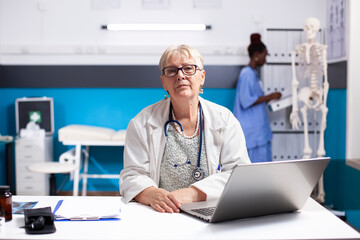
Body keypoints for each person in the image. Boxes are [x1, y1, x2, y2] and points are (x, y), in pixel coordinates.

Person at [120, 44, 250, 213]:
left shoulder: (225, 120)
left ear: (202, 76)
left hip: (211, 210)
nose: (180, 75)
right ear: (163, 81)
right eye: (171, 71)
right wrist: (151, 193)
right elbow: (132, 175)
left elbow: (239, 174)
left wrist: (194, 194)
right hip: (161, 212)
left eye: (188, 68)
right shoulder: (142, 123)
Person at [233, 33, 281, 163]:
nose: (265, 59)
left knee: (263, 166)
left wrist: (268, 99)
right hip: (253, 133)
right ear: (256, 55)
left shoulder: (253, 74)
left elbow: (255, 99)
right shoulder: (246, 74)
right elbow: (246, 100)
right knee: (255, 170)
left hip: (259, 130)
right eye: (264, 55)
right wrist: (269, 96)